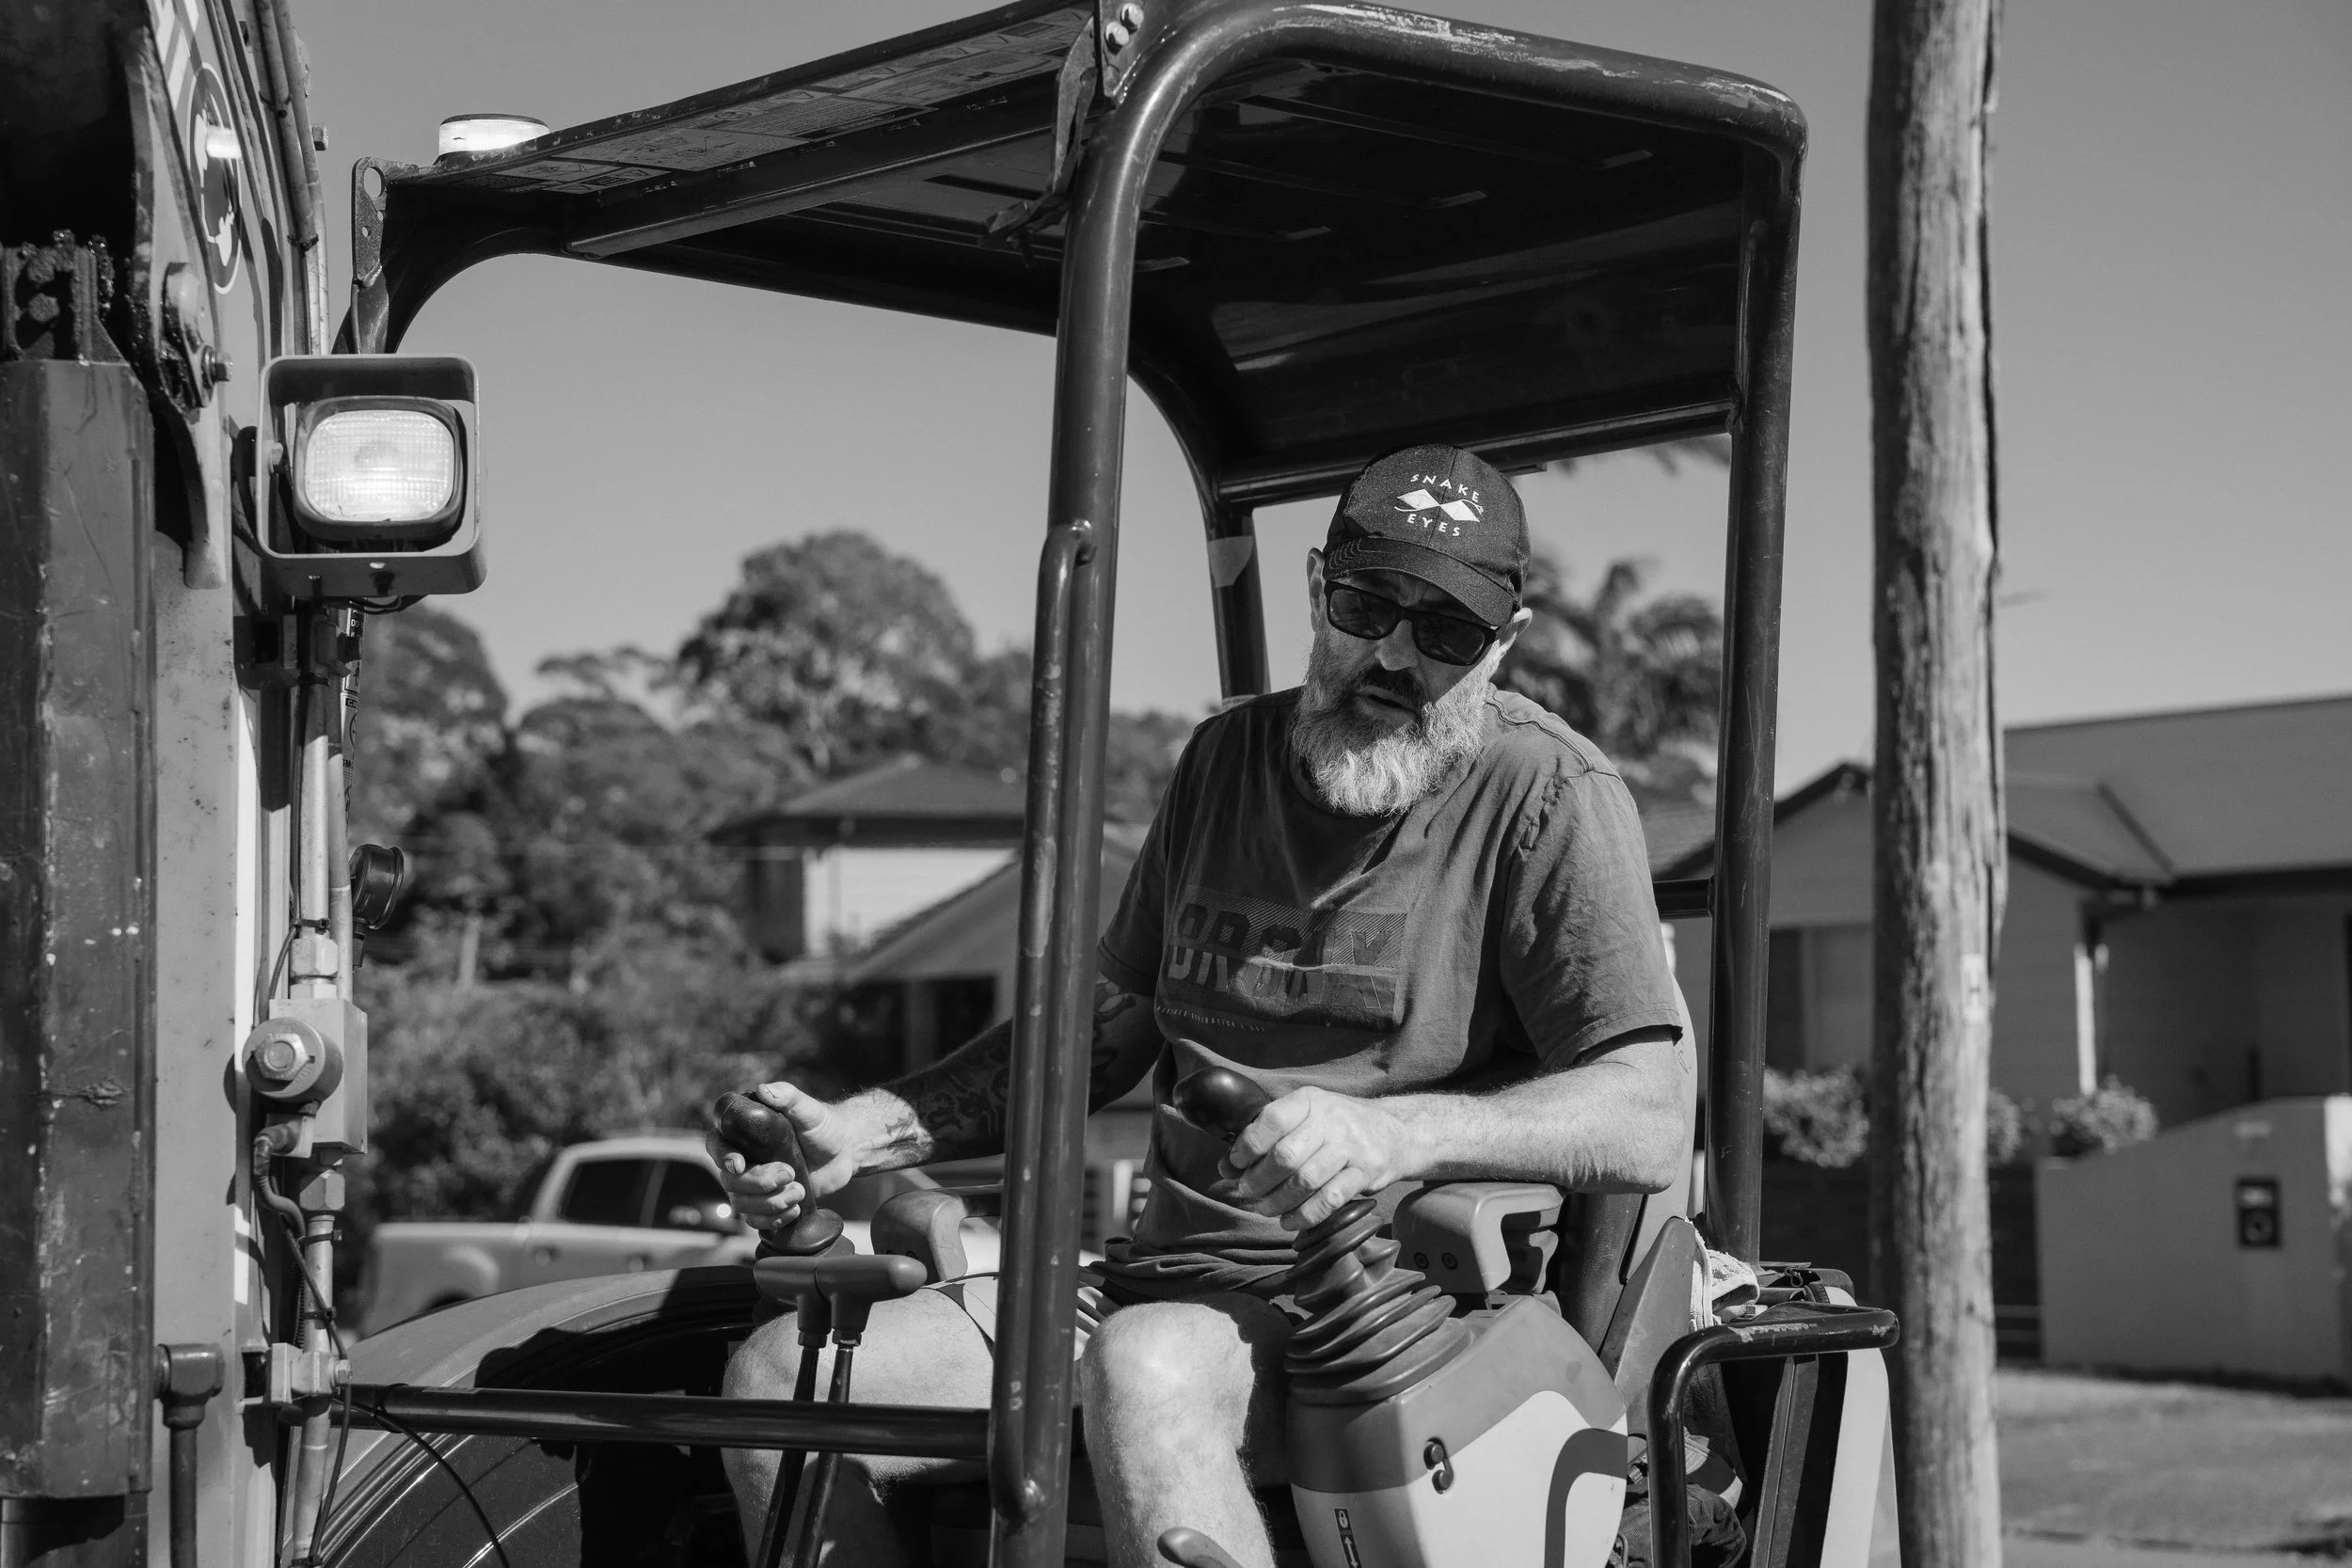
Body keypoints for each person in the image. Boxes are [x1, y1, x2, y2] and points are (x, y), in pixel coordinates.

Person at [712, 442, 1692, 1568]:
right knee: (780, 1374)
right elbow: (1106, 1030)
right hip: (1153, 1282)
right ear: (1319, 584)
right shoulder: (1223, 759)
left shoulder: (1546, 797)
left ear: (1502, 647)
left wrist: (1396, 1132)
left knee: (1145, 1365)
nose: (1393, 655)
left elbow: (1650, 1112)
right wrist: (863, 1130)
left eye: (1447, 633)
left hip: (1384, 1318)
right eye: (1367, 603)